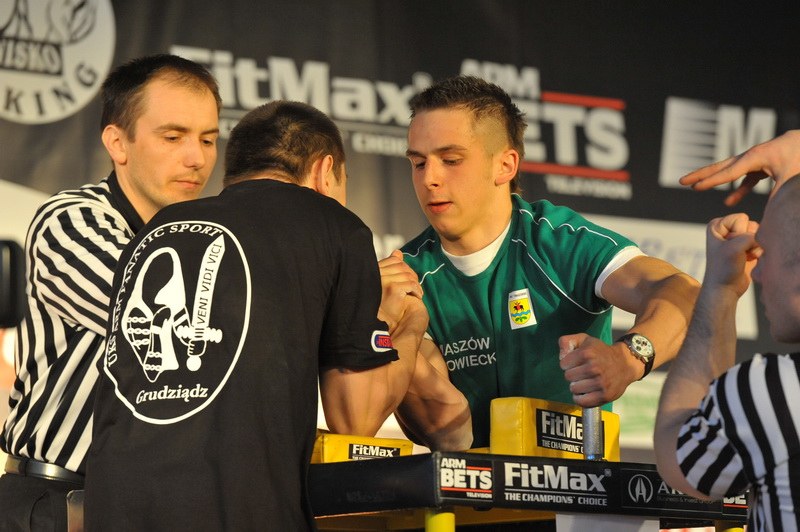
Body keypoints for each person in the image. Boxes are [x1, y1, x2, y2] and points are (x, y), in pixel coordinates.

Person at [84, 100, 468, 531]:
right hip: (235, 509)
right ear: (325, 172)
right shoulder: (336, 224)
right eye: (343, 183)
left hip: (111, 507)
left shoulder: (158, 228)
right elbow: (355, 418)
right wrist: (408, 318)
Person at [394, 75, 700, 448]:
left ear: (505, 165)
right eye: (418, 163)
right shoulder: (405, 277)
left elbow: (684, 294)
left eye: (451, 160)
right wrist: (389, 330)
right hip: (468, 482)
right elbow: (446, 432)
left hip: (577, 481)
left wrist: (628, 359)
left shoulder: (559, 242)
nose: (430, 178)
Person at [0, 53, 221, 530]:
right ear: (118, 143)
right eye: (173, 137)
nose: (197, 158)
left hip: (156, 507)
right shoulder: (71, 219)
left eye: (208, 139)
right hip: (56, 502)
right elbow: (160, 319)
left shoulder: (205, 242)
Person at [654, 151, 800, 531]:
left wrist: (720, 289)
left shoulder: (775, 389)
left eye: (768, 252)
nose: (760, 273)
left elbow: (680, 459)